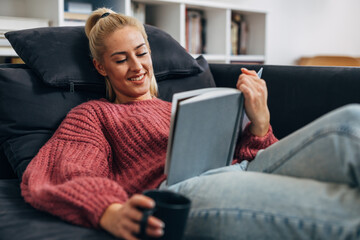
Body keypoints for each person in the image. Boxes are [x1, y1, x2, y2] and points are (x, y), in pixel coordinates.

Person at [20, 8, 360, 240]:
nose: (137, 66)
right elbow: (64, 172)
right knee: (345, 210)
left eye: (141, 53)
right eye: (121, 59)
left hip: (244, 170)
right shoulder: (94, 114)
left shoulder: (183, 106)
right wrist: (110, 210)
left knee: (351, 120)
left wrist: (260, 122)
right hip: (183, 191)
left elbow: (252, 157)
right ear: (100, 67)